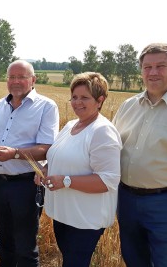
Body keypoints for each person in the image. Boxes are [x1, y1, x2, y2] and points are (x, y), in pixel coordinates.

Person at [112, 43, 167, 266]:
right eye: (147, 67)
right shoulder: (128, 106)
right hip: (127, 201)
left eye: (160, 66)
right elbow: (108, 150)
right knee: (134, 261)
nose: (152, 73)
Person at [0, 60, 59, 266]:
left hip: (26, 184)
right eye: (12, 77)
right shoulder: (0, 105)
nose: (16, 81)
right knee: (4, 238)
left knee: (25, 244)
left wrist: (15, 154)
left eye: (22, 77)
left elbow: (47, 148)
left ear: (33, 80)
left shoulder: (46, 107)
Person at [34, 72, 122, 267]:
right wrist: (46, 169)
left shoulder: (102, 131)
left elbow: (108, 180)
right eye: (74, 97)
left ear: (100, 100)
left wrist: (65, 181)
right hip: (64, 214)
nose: (77, 102)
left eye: (84, 97)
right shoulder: (71, 126)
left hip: (85, 220)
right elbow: (59, 157)